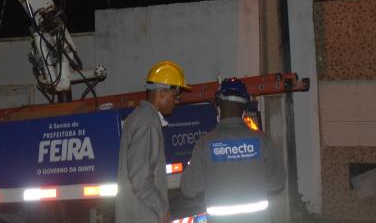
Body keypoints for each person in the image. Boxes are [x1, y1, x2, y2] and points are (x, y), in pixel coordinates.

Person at [180, 78, 286, 222]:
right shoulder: (262, 140)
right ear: (244, 109)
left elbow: (188, 189)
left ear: (218, 107)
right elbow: (277, 182)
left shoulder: (205, 144)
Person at [116, 60, 189, 223]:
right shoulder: (147, 121)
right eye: (175, 96)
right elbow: (140, 178)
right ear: (161, 93)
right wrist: (162, 211)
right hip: (145, 216)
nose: (177, 102)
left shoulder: (139, 117)